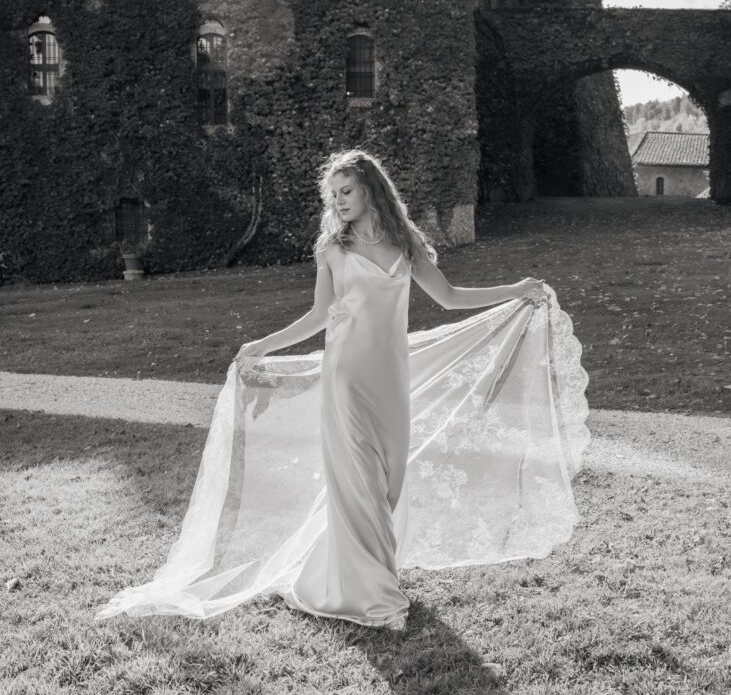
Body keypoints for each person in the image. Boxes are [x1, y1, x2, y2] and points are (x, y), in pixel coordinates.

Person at [95, 148, 589, 629]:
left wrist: (515, 289)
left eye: (346, 190)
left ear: (371, 189)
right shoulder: (333, 249)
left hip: (391, 378)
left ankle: (357, 576)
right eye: (332, 195)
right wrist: (263, 344)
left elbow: (450, 297)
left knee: (390, 483)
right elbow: (318, 315)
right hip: (347, 377)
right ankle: (377, 600)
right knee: (358, 485)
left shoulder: (405, 244)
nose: (338, 202)